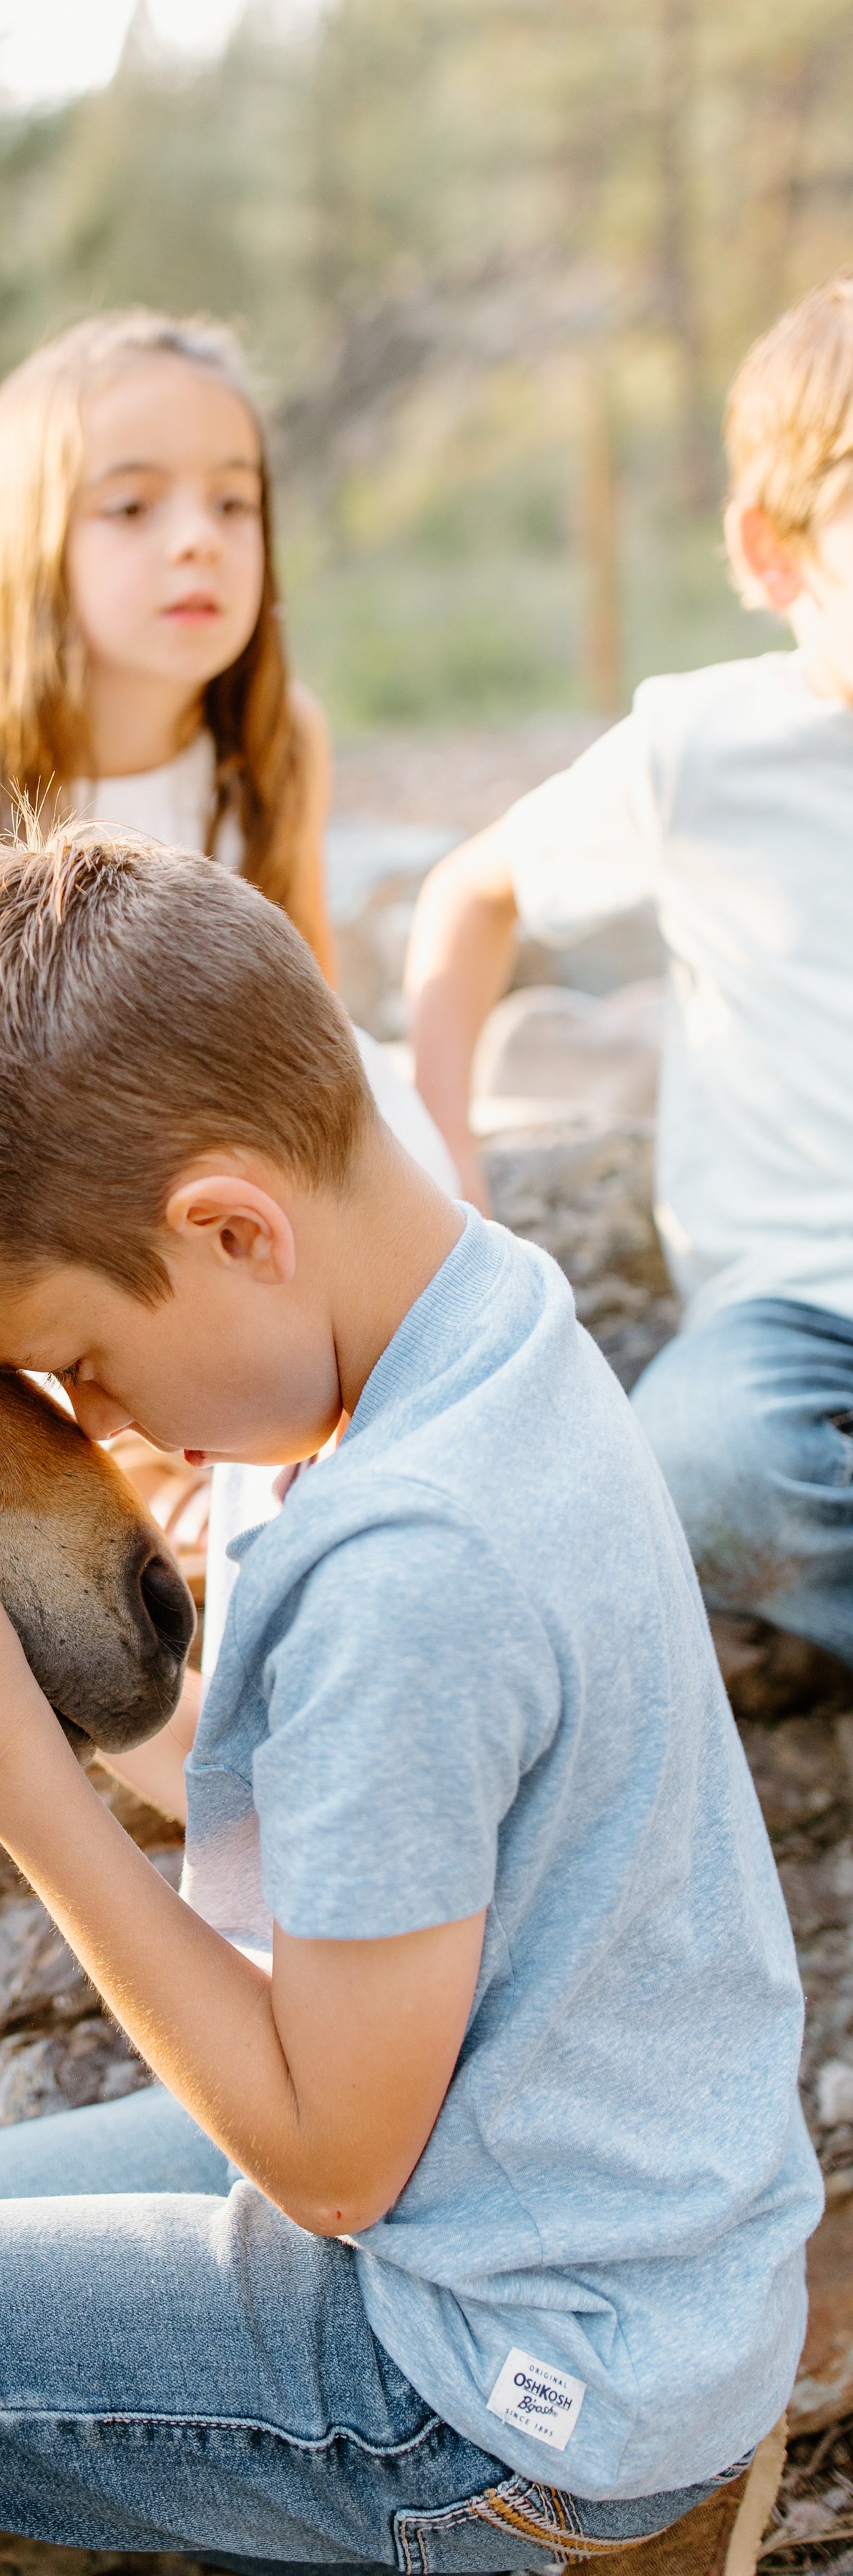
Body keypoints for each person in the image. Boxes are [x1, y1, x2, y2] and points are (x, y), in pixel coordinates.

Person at [0, 828, 817, 2576]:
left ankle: (513, 2561)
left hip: (494, 2368)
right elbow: (326, 1799)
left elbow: (326, 2158)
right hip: (606, 2239)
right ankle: (569, 2565)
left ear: (232, 1226)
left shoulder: (414, 1565)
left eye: (81, 1360)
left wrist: (3, 1755)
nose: (101, 1424)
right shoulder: (462, 1326)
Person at [0, 306, 456, 1578]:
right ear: (29, 544)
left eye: (235, 505)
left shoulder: (275, 751)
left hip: (271, 1211)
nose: (198, 542)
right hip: (82, 1245)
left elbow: (309, 1020)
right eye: (131, 509)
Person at [407, 272, 853, 1666]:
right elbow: (468, 892)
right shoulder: (700, 755)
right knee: (704, 1464)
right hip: (795, 1320)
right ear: (773, 553)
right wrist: (446, 1153)